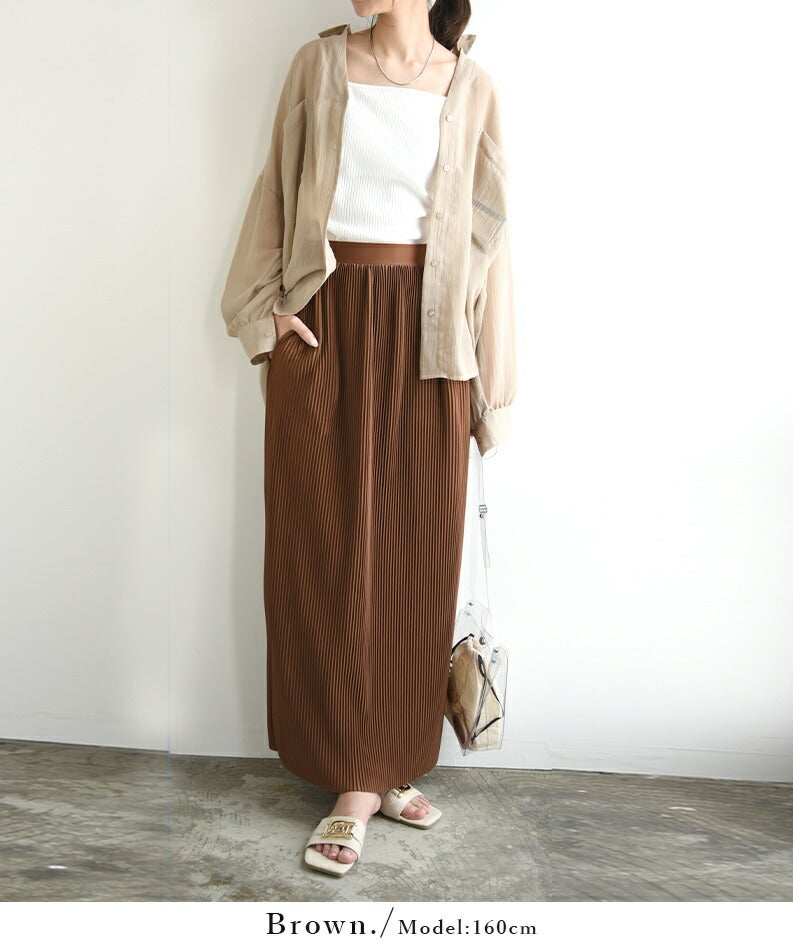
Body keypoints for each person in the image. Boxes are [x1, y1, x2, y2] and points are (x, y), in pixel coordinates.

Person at [219, 0, 516, 877]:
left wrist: (491, 388)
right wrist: (266, 318)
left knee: (417, 560)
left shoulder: (471, 87)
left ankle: (385, 764)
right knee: (324, 552)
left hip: (432, 340)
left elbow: (493, 241)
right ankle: (353, 775)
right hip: (327, 325)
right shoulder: (316, 67)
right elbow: (275, 194)